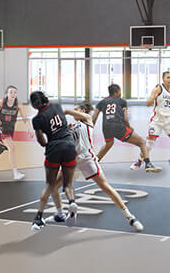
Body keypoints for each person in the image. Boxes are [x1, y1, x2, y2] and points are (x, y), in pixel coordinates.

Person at [64, 101, 144, 232]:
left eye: (76, 109)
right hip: (73, 159)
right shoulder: (70, 126)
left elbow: (67, 112)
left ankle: (130, 217)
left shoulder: (87, 120)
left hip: (88, 159)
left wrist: (61, 112)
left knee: (105, 187)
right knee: (61, 184)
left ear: (83, 111)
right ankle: (72, 208)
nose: (74, 112)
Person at [28, 90, 79, 233]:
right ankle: (72, 202)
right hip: (69, 145)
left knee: (50, 184)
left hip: (54, 149)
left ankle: (38, 218)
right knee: (67, 184)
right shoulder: (57, 106)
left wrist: (47, 145)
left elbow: (41, 140)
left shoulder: (37, 119)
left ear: (34, 104)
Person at [92, 84, 159, 172]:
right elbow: (125, 119)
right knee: (142, 142)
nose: (121, 93)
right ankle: (148, 164)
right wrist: (129, 127)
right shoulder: (122, 101)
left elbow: (94, 117)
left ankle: (94, 163)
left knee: (108, 144)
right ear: (116, 92)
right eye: (120, 91)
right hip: (118, 126)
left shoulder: (101, 102)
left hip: (106, 127)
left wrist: (89, 129)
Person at [0, 86, 26, 180]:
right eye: (11, 92)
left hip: (10, 129)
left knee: (1, 148)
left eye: (15, 92)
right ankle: (15, 173)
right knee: (12, 147)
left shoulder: (19, 104)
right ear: (7, 94)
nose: (13, 94)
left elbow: (24, 118)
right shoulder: (1, 102)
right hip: (1, 128)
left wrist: (29, 128)